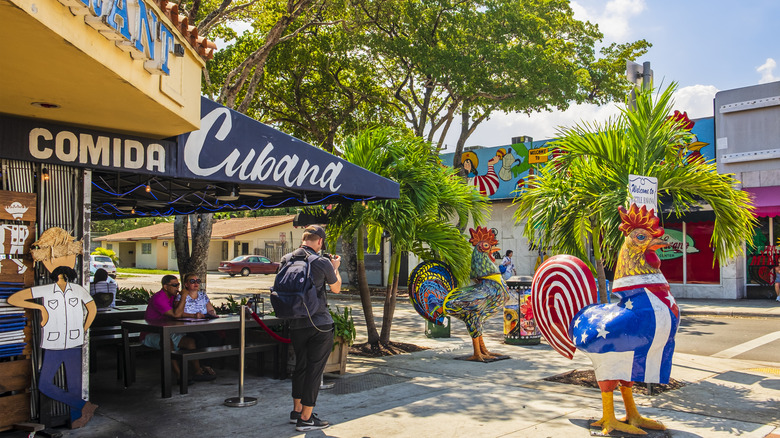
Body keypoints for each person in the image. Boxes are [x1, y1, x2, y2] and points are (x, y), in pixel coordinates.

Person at [7, 227, 98, 429]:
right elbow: (14, 298)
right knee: (44, 384)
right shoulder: (45, 290)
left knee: (74, 386)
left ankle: (78, 419)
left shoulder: (79, 290)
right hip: (54, 344)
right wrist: (40, 307)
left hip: (75, 342)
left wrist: (84, 329)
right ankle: (85, 406)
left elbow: (92, 309)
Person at [285, 225, 341, 431]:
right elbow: (336, 287)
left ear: (303, 239)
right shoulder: (322, 262)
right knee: (314, 370)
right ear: (320, 242)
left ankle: (296, 411)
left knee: (300, 366)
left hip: (295, 322)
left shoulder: (286, 259)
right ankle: (306, 418)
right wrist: (335, 267)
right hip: (319, 323)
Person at [143, 275, 215, 382]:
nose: (177, 288)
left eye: (178, 285)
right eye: (174, 285)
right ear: (165, 287)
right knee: (168, 343)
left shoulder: (172, 296)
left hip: (168, 331)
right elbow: (176, 315)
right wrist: (184, 297)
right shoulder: (159, 298)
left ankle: (198, 372)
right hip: (152, 333)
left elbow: (180, 313)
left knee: (191, 342)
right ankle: (180, 376)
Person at [175, 273, 220, 378]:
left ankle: (207, 364)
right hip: (187, 327)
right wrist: (193, 315)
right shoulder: (181, 296)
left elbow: (210, 309)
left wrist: (212, 313)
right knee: (201, 340)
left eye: (198, 281)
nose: (196, 283)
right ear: (186, 284)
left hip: (203, 325)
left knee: (215, 338)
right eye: (192, 281)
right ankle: (199, 366)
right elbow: (178, 313)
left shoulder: (203, 295)